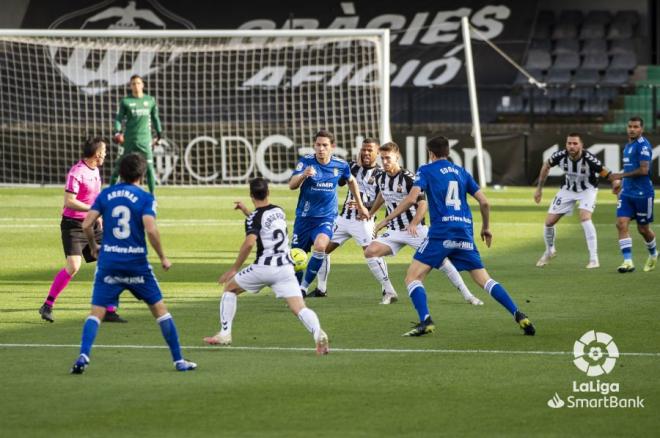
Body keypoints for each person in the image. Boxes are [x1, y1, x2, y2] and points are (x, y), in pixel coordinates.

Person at [375, 136, 535, 337]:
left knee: (412, 277)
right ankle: (518, 314)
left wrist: (384, 221)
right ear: (448, 152)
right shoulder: (461, 172)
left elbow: (411, 198)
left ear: (431, 153)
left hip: (441, 232)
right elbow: (485, 203)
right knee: (484, 280)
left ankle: (426, 320)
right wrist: (486, 228)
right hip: (464, 231)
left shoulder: (425, 170)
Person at [70, 153, 196, 374]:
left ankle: (83, 354)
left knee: (96, 313)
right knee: (160, 311)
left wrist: (93, 246)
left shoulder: (107, 194)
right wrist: (163, 257)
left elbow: (87, 223)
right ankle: (178, 360)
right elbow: (150, 228)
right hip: (136, 264)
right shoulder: (146, 198)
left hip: (109, 262)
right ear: (142, 175)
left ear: (120, 173)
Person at [203, 178, 329, 355]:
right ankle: (318, 334)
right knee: (300, 308)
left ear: (251, 195)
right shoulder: (279, 211)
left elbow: (249, 242)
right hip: (285, 269)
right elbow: (263, 223)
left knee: (230, 289)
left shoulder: (255, 218)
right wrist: (247, 211)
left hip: (264, 267)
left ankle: (225, 333)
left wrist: (234, 268)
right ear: (268, 192)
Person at [368, 142, 482, 306]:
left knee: (442, 262)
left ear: (397, 157)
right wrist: (372, 213)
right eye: (382, 158)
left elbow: (423, 204)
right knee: (371, 251)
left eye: (388, 158)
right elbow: (383, 194)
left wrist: (414, 223)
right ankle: (390, 292)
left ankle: (468, 295)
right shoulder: (380, 177)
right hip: (394, 230)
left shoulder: (409, 177)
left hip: (416, 230)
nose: (384, 162)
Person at [39, 137, 126, 323]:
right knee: (73, 267)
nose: (106, 154)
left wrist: (99, 216)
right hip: (73, 225)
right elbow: (69, 201)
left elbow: (93, 197)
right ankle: (47, 305)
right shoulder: (77, 172)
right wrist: (95, 208)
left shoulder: (95, 171)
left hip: (92, 224)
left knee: (111, 260)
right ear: (97, 154)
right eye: (104, 151)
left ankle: (109, 309)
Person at [288, 129, 369, 297]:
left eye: (325, 145)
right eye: (318, 145)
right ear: (314, 145)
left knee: (320, 247)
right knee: (296, 257)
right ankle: (296, 290)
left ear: (332, 146)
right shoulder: (306, 162)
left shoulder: (340, 165)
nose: (321, 148)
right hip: (304, 218)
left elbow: (351, 181)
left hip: (326, 217)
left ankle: (303, 287)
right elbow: (292, 185)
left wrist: (361, 205)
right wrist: (303, 175)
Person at [308, 138, 388, 298]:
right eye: (363, 150)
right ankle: (321, 289)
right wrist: (354, 166)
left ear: (377, 152)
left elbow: (384, 197)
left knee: (373, 253)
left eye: (369, 150)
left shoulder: (382, 174)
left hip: (364, 221)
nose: (366, 153)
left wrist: (363, 204)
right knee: (321, 249)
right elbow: (341, 182)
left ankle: (387, 289)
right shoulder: (351, 167)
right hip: (343, 219)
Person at [534, 133, 612, 269]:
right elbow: (546, 165)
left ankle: (594, 259)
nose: (571, 146)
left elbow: (606, 173)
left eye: (575, 143)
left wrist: (616, 182)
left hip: (587, 190)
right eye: (569, 143)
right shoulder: (560, 156)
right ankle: (549, 251)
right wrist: (539, 189)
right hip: (567, 190)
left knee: (585, 217)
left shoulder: (589, 159)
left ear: (581, 145)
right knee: (549, 222)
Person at [608, 116, 657, 273]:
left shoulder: (643, 146)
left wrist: (620, 176)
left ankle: (654, 253)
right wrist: (620, 184)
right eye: (630, 126)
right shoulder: (628, 146)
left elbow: (644, 170)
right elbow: (630, 169)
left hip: (643, 194)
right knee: (621, 223)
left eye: (636, 127)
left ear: (641, 129)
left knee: (643, 229)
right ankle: (628, 261)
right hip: (627, 193)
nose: (632, 129)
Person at [110, 74, 162, 194]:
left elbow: (155, 119)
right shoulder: (126, 101)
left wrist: (159, 134)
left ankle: (152, 197)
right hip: (129, 140)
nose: (136, 86)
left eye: (138, 83)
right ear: (130, 86)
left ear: (142, 85)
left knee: (149, 169)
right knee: (118, 168)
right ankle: (109, 193)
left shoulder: (150, 100)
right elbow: (118, 118)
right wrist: (117, 132)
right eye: (133, 84)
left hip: (145, 141)